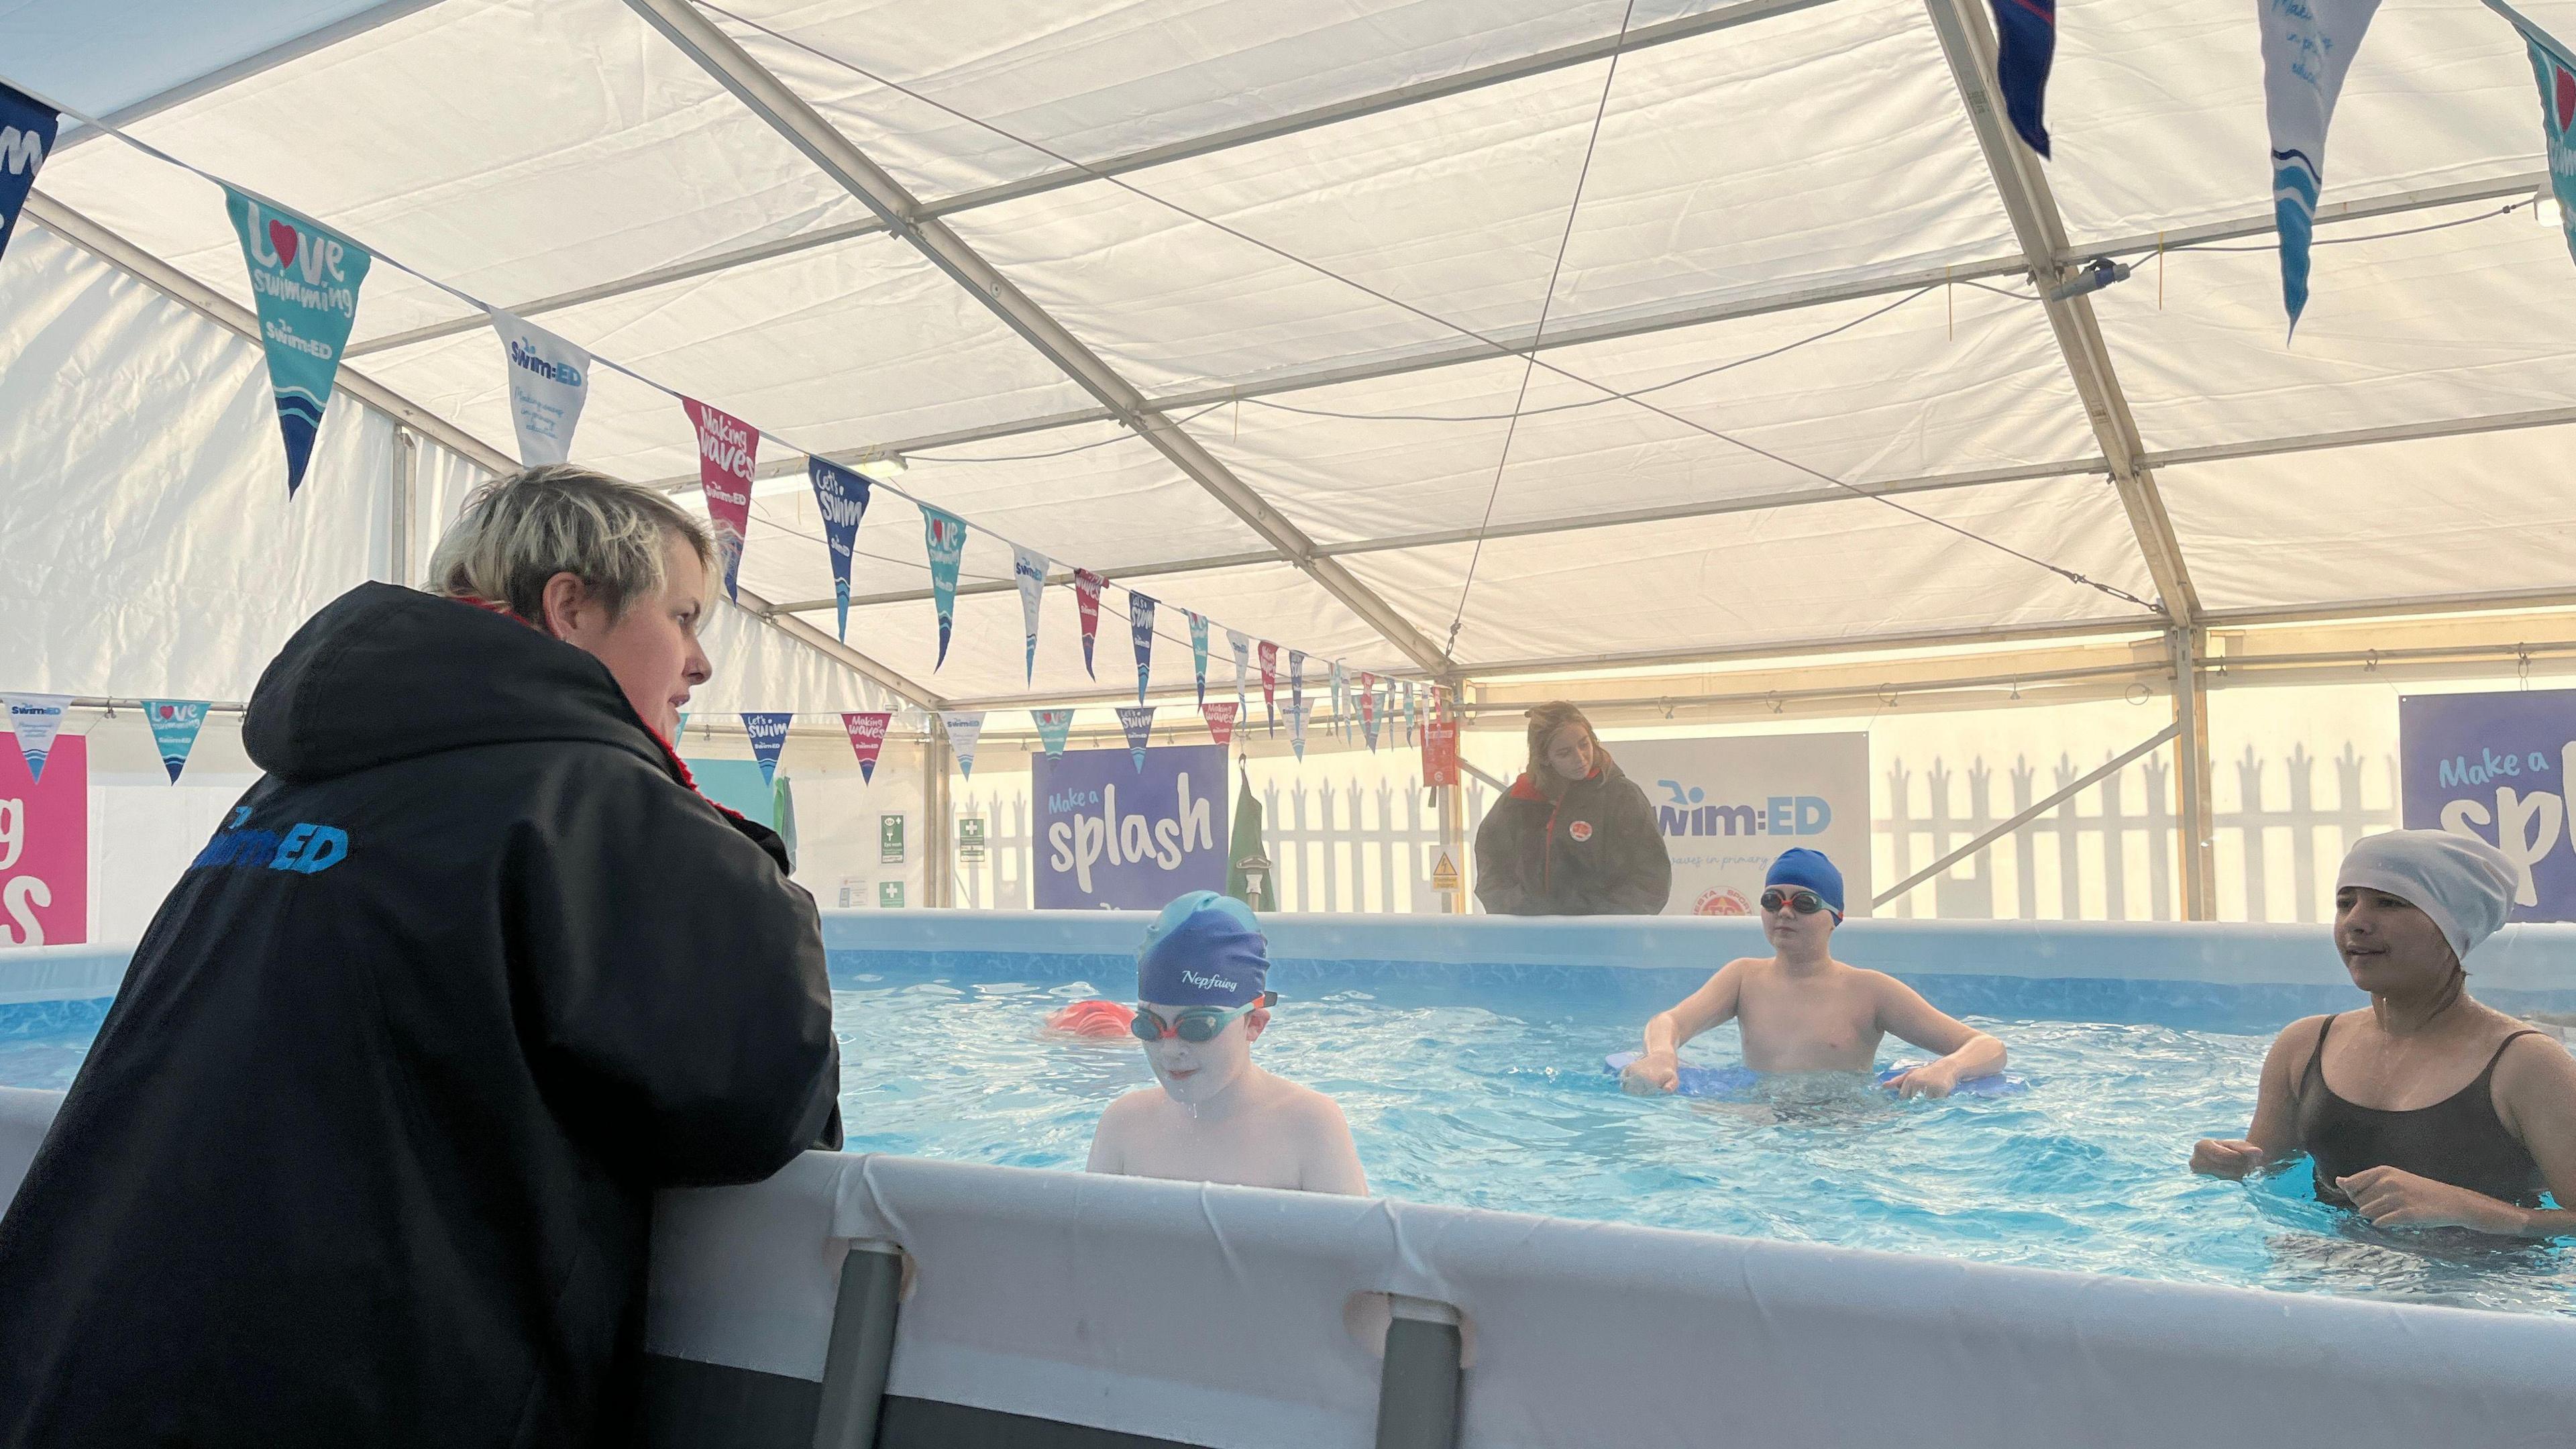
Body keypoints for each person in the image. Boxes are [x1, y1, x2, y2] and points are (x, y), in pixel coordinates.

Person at [0, 466, 843, 1446]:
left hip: (75, 1361)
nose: (700, 664)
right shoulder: (597, 801)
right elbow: (760, 1103)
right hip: (361, 1393)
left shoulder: (288, 792)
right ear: (571, 606)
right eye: (686, 616)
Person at [2190, 830, 2576, 1236]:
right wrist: (2225, 1164)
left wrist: (2471, 1209)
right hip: (2324, 1279)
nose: (2356, 921)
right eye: (2345, 903)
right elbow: (2267, 1173)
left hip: (2478, 1289)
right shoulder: (2303, 1046)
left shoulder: (2526, 1064)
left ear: (2452, 925)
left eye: (2389, 903)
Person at [1620, 849, 2006, 1098]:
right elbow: (1669, 1020)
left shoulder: (1870, 991)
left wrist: (1948, 1068)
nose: (1784, 912)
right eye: (1773, 900)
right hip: (1757, 1128)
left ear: (1835, 917)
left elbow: (1989, 1047)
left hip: (1840, 1132)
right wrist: (1661, 1055)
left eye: (1803, 902)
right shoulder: (1743, 978)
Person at [1086, 892, 1366, 1195]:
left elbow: (1359, 1243)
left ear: (1254, 1024)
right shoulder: (1124, 1125)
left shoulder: (1310, 1127)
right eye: (1149, 1027)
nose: (1169, 1050)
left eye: (1197, 1028)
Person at [1474, 701, 1671, 915]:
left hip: (1605, 939)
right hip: (1531, 938)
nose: (1580, 758)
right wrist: (1525, 909)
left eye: (1584, 744)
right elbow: (1491, 873)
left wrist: (1599, 919)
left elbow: (1652, 878)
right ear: (1545, 758)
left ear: (1593, 740)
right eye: (1564, 753)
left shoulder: (1621, 797)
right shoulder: (1517, 802)